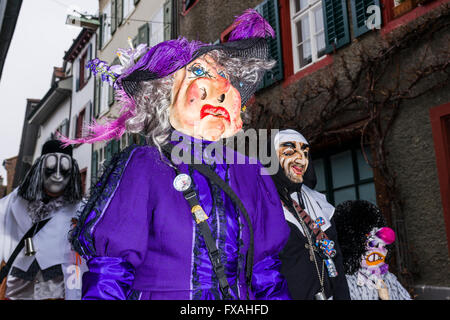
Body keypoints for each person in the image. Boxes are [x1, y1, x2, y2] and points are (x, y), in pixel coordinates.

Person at [62, 9, 291, 300]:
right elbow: (111, 271)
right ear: (163, 95)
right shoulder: (144, 167)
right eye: (199, 72)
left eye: (225, 79)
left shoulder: (251, 172)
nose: (220, 90)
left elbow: (267, 273)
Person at [268, 129, 350, 300]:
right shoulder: (263, 203)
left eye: (305, 152)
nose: (301, 159)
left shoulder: (319, 202)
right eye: (289, 152)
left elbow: (337, 263)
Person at [0, 140, 85, 300]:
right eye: (50, 169)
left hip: (58, 287)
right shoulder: (13, 203)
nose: (58, 176)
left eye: (64, 171)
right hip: (19, 287)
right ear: (40, 168)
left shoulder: (81, 209)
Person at [334, 200, 411, 300]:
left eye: (382, 245)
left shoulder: (389, 278)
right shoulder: (346, 284)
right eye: (372, 244)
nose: (379, 250)